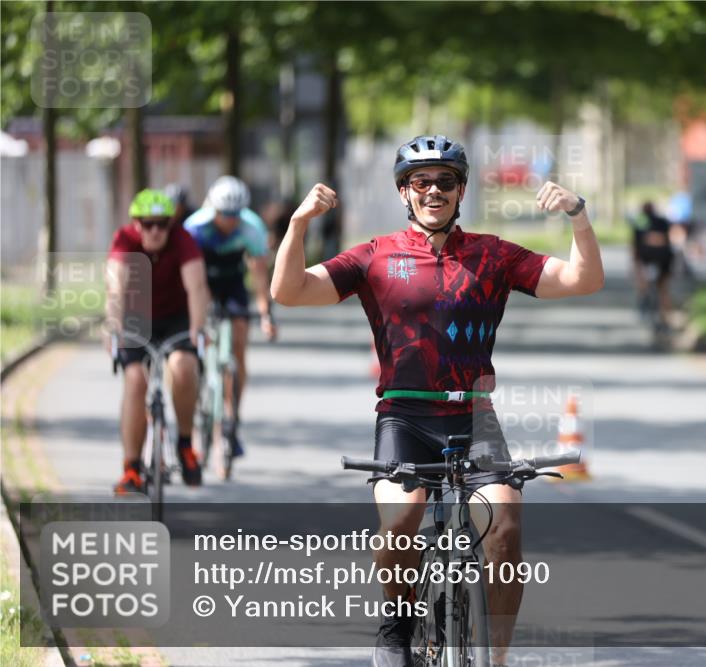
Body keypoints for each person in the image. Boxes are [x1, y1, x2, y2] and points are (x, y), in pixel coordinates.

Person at [271, 134, 604, 667]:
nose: (433, 191)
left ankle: (496, 657)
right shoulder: (375, 255)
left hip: (475, 418)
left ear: (461, 190)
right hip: (404, 416)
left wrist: (578, 215)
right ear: (404, 192)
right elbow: (288, 292)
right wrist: (297, 224)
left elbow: (583, 280)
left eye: (445, 181)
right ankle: (397, 627)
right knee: (400, 522)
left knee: (505, 528)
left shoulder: (493, 255)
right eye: (420, 181)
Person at [106, 189, 210, 493]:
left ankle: (186, 445)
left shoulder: (182, 239)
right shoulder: (124, 239)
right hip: (136, 317)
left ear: (171, 223)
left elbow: (197, 287)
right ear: (136, 224)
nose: (155, 231)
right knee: (135, 380)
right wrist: (113, 328)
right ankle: (131, 468)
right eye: (148, 224)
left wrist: (198, 328)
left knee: (183, 368)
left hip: (176, 316)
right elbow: (115, 288)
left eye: (162, 224)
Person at [183, 175, 277, 459]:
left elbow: (259, 276)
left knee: (239, 343)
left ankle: (232, 416)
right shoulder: (195, 227)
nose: (230, 220)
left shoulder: (252, 227)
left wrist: (265, 313)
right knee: (198, 337)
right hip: (203, 282)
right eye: (225, 214)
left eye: (236, 214)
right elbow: (186, 277)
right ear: (213, 209)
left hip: (234, 282)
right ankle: (199, 382)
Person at [630, 201, 674, 328]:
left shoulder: (639, 222)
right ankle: (667, 318)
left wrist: (635, 264)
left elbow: (634, 245)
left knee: (643, 282)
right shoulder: (663, 221)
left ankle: (643, 303)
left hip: (647, 258)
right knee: (663, 288)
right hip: (664, 257)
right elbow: (670, 239)